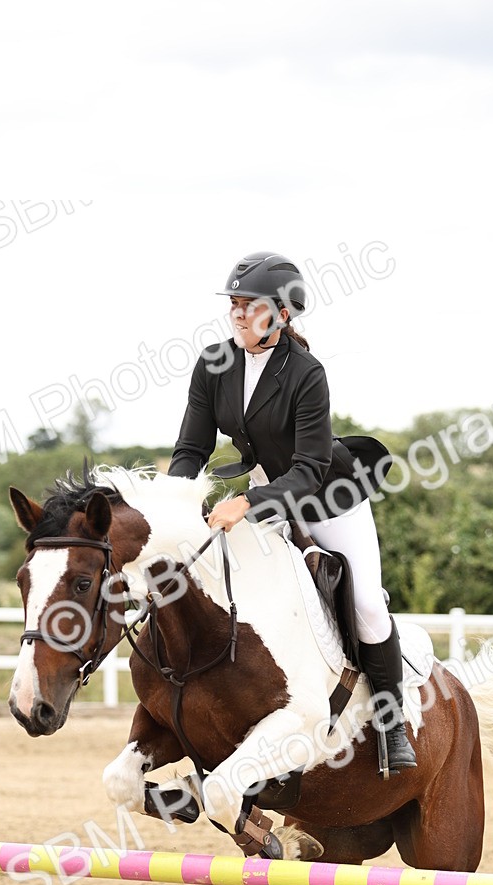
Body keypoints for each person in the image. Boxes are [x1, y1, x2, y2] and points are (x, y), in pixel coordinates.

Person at [168, 251, 416, 775]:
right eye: (233, 304)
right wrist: (175, 504)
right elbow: (191, 449)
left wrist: (247, 503)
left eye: (248, 306)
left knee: (368, 604)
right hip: (266, 493)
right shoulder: (214, 363)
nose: (236, 314)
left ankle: (393, 725)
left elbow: (307, 470)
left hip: (329, 497)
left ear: (281, 314)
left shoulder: (307, 373)